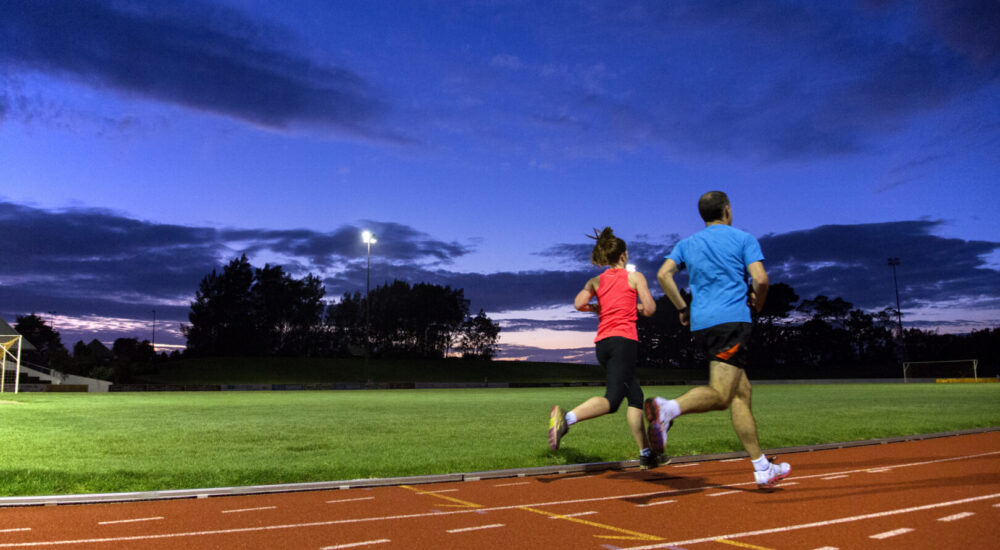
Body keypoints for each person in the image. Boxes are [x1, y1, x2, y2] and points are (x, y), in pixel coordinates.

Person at [645, 191, 791, 488]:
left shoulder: (687, 244)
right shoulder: (743, 238)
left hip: (703, 324)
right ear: (727, 210)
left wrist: (683, 308)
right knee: (723, 395)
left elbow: (663, 275)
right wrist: (758, 302)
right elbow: (761, 280)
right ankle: (667, 409)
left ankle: (761, 467)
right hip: (732, 322)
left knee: (741, 392)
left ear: (703, 215)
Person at [549, 227, 660, 469]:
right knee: (611, 401)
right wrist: (637, 308)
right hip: (624, 342)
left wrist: (597, 309)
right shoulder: (635, 277)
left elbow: (579, 303)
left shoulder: (596, 280)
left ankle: (646, 454)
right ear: (624, 255)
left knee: (635, 397)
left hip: (603, 344)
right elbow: (650, 309)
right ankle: (565, 420)